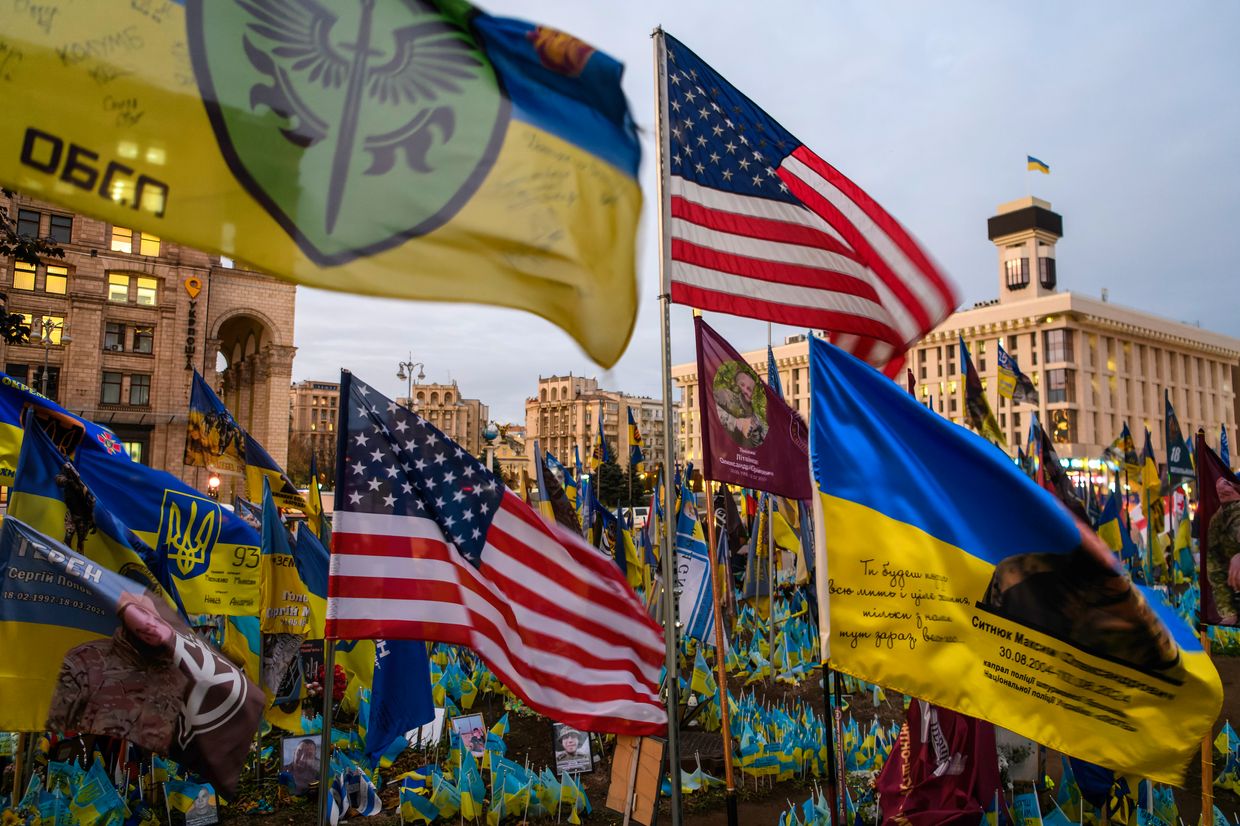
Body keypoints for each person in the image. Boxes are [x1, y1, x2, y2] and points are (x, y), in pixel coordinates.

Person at [47, 592, 189, 752]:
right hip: (93, 772)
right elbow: (56, 734)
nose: (150, 624)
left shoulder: (180, 673)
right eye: (142, 613)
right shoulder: (84, 661)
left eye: (160, 618)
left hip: (161, 772)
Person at [1208, 477, 1240, 624]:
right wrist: (1228, 612)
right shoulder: (1216, 521)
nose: (1221, 485)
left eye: (1227, 483)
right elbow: (1215, 569)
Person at [713, 366, 768, 448]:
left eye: (749, 389)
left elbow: (764, 440)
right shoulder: (723, 395)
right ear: (734, 384)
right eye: (742, 384)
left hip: (742, 457)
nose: (745, 390)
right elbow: (712, 409)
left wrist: (755, 431)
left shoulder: (756, 417)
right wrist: (737, 422)